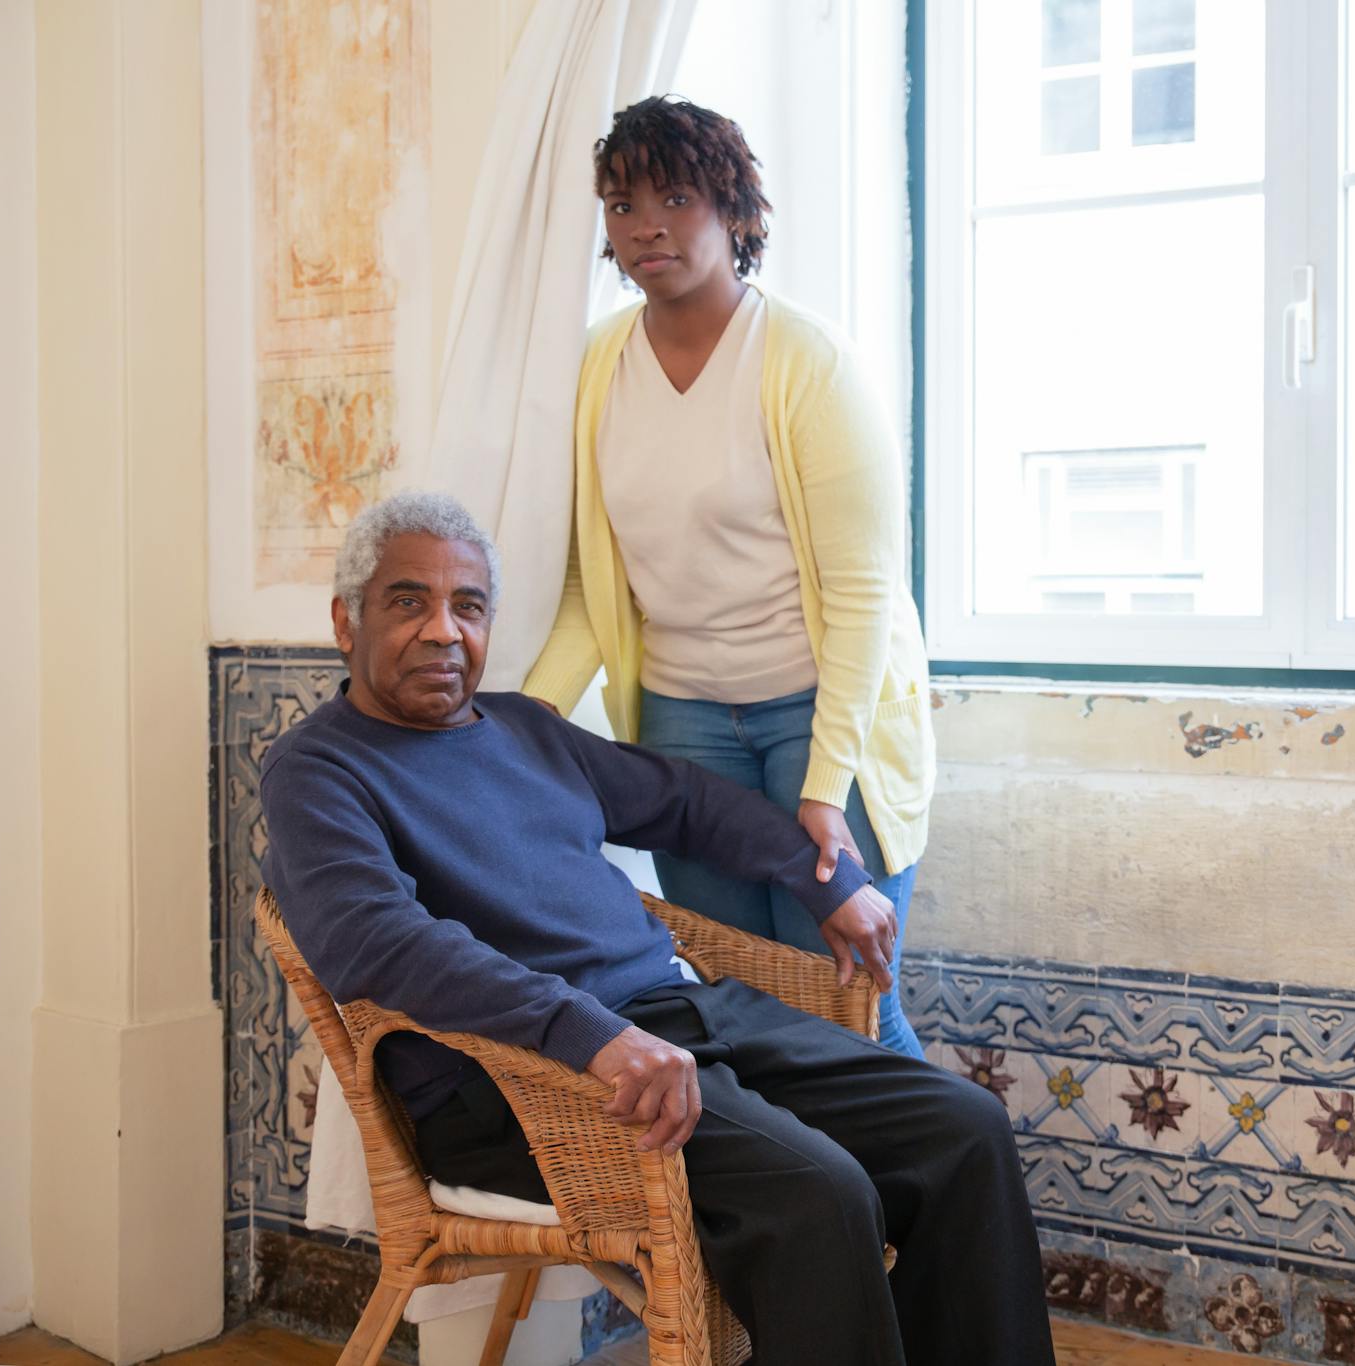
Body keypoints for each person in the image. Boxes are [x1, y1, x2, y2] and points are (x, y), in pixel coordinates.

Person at [261, 493, 1053, 1366]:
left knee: (964, 1130)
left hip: (677, 1021)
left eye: (469, 606)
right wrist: (589, 1033)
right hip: (525, 1081)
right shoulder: (317, 771)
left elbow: (680, 801)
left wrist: (823, 877)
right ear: (348, 621)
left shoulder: (524, 728)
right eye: (409, 602)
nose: (444, 631)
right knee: (822, 1195)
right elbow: (375, 942)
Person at [521, 96, 933, 1058]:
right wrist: (513, 729)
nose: (645, 227)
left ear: (736, 209)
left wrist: (826, 786)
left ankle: (921, 1209)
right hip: (684, 729)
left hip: (820, 720)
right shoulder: (594, 367)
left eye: (675, 196)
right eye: (621, 206)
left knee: (849, 1012)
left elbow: (868, 595)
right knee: (748, 1010)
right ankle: (826, 1214)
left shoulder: (807, 362)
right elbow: (595, 588)